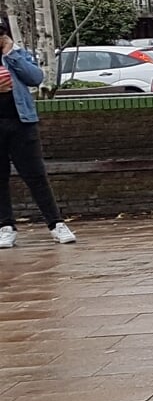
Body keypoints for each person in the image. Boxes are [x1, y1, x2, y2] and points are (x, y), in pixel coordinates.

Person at [0, 20, 74, 249]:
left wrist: (11, 53)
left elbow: (35, 78)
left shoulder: (18, 55)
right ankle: (6, 226)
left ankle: (56, 224)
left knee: (36, 175)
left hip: (22, 123)